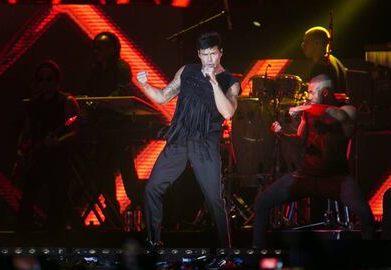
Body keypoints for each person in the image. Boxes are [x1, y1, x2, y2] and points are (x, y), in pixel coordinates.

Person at [136, 32, 240, 248]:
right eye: (204, 54)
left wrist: (213, 84)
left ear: (220, 53)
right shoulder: (187, 71)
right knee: (152, 188)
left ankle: (225, 250)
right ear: (198, 55)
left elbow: (228, 112)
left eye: (213, 53)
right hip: (180, 137)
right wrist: (145, 85)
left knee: (213, 198)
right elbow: (164, 96)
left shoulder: (230, 81)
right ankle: (153, 242)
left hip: (205, 142)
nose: (209, 59)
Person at [252, 74, 375, 248]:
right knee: (262, 202)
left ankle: (369, 262)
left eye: (311, 92)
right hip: (305, 176)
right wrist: (280, 134)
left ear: (324, 93)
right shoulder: (308, 113)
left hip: (336, 179)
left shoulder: (348, 110)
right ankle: (257, 254)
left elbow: (337, 115)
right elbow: (299, 140)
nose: (308, 96)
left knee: (366, 216)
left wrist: (305, 107)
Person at [16, 60, 80, 232]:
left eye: (49, 79)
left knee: (57, 197)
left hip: (58, 156)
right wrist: (21, 150)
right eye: (41, 80)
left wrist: (58, 141)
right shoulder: (33, 103)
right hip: (37, 155)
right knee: (28, 196)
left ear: (57, 80)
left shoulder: (67, 101)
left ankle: (54, 231)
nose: (45, 84)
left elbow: (75, 130)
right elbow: (27, 130)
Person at [85, 32, 142, 218]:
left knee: (127, 171)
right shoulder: (93, 72)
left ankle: (140, 209)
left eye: (101, 47)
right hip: (101, 128)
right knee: (104, 172)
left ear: (113, 48)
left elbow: (122, 92)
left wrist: (102, 102)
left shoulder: (121, 67)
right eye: (96, 48)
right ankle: (112, 213)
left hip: (119, 128)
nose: (97, 51)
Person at [302, 26, 347, 94]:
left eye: (306, 41)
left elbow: (317, 98)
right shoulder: (335, 61)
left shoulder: (322, 64)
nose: (303, 45)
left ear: (317, 43)